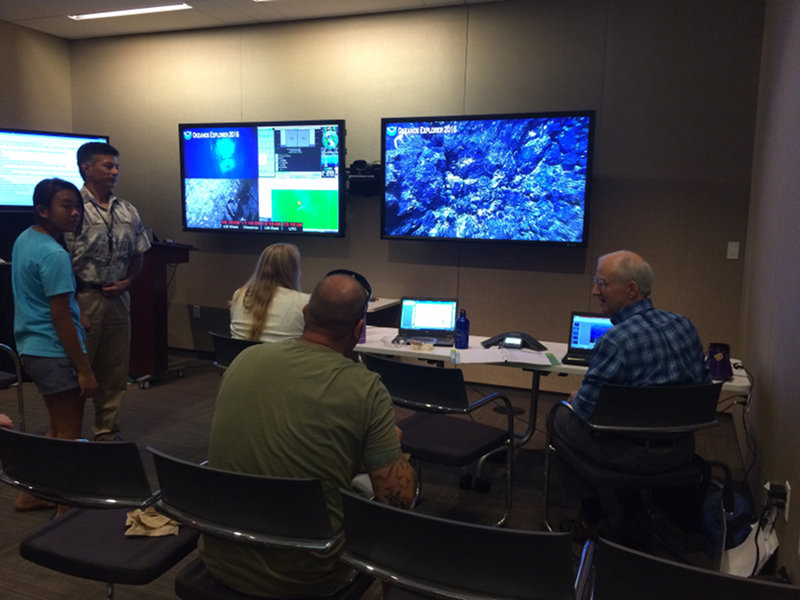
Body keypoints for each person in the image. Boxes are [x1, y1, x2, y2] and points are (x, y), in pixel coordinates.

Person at [201, 271, 416, 597]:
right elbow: (396, 502)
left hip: (221, 558)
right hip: (308, 577)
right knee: (400, 488)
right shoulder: (364, 388)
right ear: (359, 330)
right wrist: (387, 452)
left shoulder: (244, 360)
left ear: (305, 315)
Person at [549, 250, 710, 538]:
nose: (595, 290)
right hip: (682, 451)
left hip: (631, 455)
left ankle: (592, 514)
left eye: (602, 283)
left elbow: (586, 412)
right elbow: (702, 387)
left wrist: (575, 398)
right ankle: (633, 507)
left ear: (631, 289)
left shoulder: (615, 341)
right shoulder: (685, 325)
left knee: (559, 417)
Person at [11, 178, 99, 510]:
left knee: (57, 427)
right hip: (54, 351)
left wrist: (79, 315)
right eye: (66, 206)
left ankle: (32, 492)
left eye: (77, 206)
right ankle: (66, 509)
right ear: (43, 210)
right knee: (69, 434)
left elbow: (50, 301)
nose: (75, 213)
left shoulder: (25, 239)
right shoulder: (54, 254)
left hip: (31, 347)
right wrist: (84, 370)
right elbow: (60, 316)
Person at [64, 142, 150, 441]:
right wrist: (74, 302)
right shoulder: (71, 209)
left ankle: (105, 433)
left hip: (118, 300)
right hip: (83, 298)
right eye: (107, 166)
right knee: (78, 370)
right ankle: (69, 433)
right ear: (86, 168)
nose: (115, 172)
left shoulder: (127, 209)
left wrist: (127, 282)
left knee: (114, 373)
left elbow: (140, 253)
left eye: (116, 167)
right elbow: (61, 258)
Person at [229, 243, 309, 342]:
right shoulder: (304, 302)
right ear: (294, 270)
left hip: (240, 356)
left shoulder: (239, 295)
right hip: (280, 357)